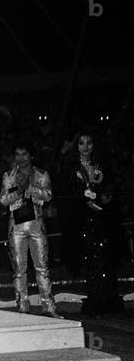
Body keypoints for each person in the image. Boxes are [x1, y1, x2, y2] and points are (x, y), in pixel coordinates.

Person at [62, 132, 124, 316]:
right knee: (90, 259)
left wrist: (104, 196)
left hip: (102, 218)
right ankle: (95, 299)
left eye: (89, 142)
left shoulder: (101, 165)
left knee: (105, 258)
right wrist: (82, 196)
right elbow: (66, 191)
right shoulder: (71, 167)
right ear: (77, 146)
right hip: (82, 219)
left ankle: (109, 300)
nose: (86, 146)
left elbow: (111, 187)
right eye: (81, 143)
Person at [0, 144, 57, 316]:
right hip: (16, 227)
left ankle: (48, 306)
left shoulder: (41, 174)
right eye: (17, 154)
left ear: (31, 156)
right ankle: (22, 305)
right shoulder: (9, 176)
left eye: (24, 154)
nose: (21, 158)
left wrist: (32, 189)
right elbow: (3, 200)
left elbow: (49, 194)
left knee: (42, 267)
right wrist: (18, 191)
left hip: (37, 225)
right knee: (19, 269)